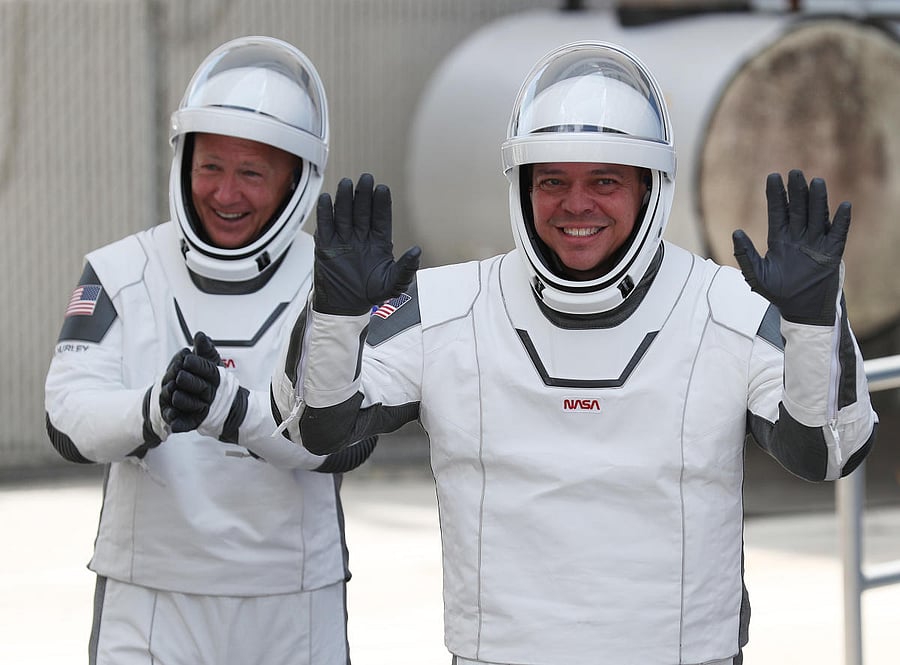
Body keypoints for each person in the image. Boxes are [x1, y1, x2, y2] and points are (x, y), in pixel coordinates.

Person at [265, 40, 879, 665]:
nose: (576, 205)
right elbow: (317, 427)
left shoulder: (726, 305)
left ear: (649, 188)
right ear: (523, 187)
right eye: (553, 180)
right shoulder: (447, 306)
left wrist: (813, 323)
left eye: (604, 181)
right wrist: (335, 314)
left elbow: (827, 452)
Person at [44, 36, 376, 665]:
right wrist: (153, 411)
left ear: (297, 181)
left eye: (251, 173)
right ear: (183, 163)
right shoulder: (121, 271)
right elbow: (67, 417)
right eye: (210, 168)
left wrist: (230, 409)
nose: (225, 195)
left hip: (291, 597)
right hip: (150, 597)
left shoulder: (332, 281)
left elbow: (349, 440)